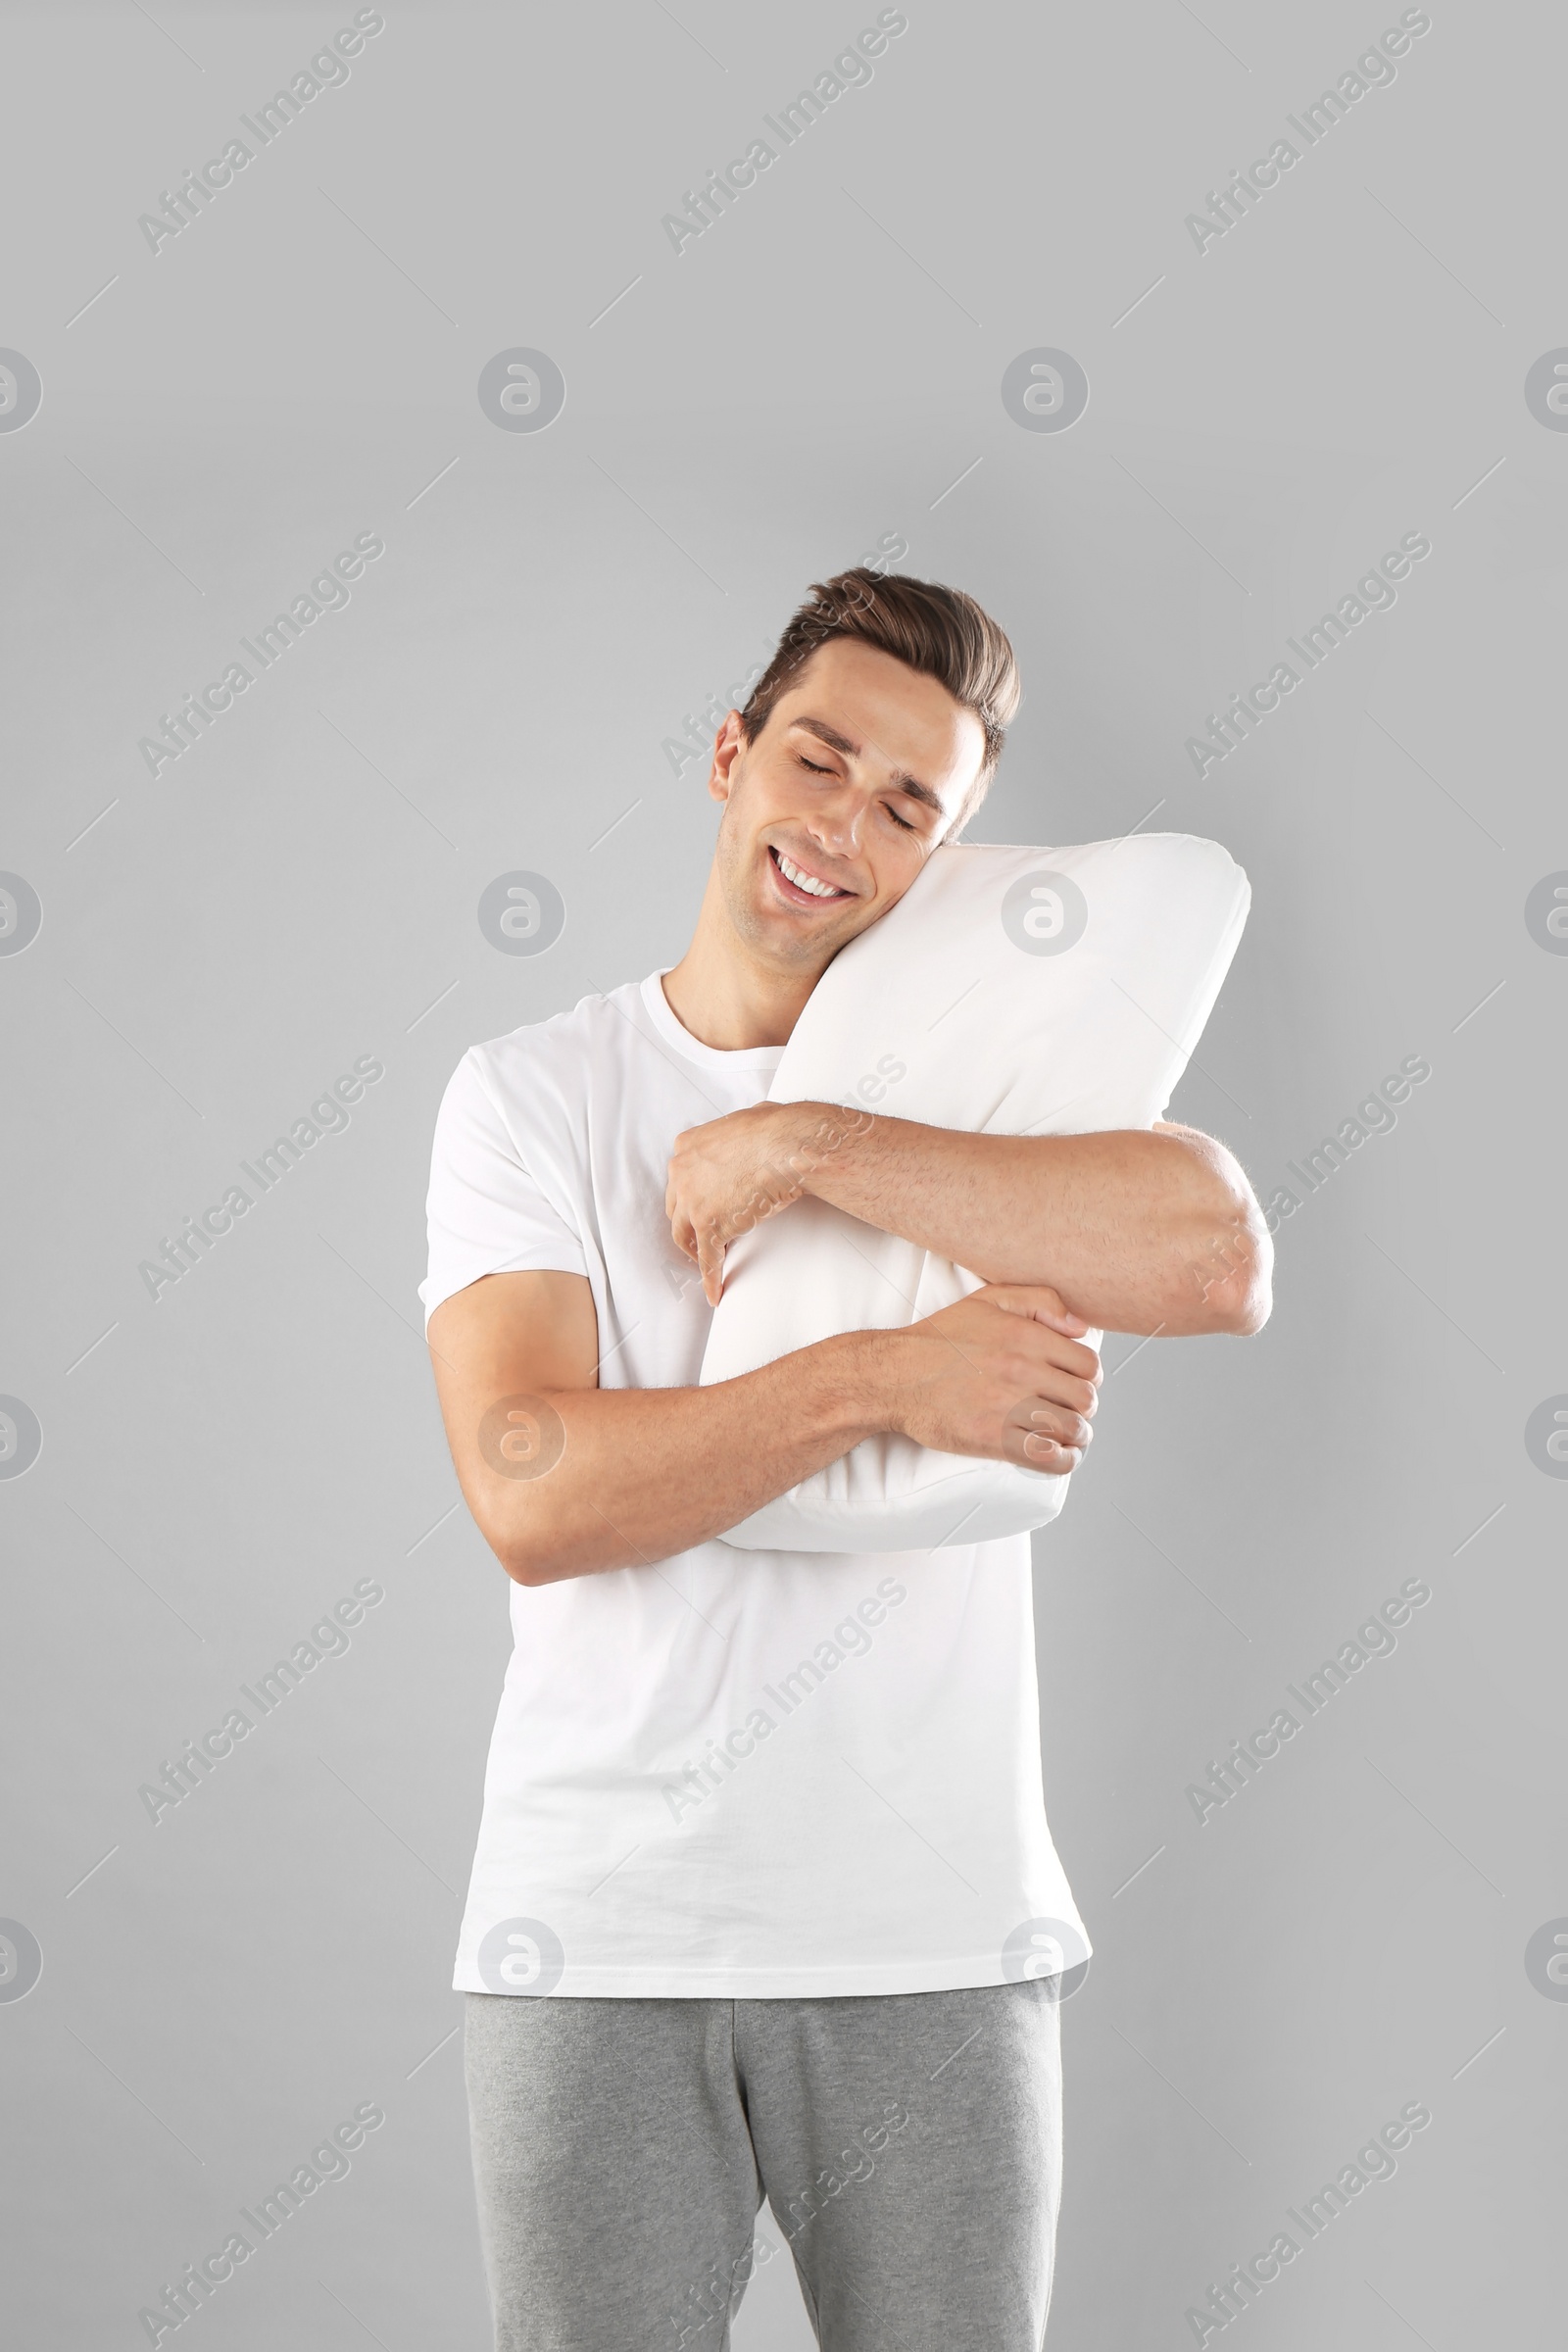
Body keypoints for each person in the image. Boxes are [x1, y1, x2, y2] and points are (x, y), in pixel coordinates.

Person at [420, 568, 1272, 2351]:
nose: (843, 829)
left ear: (952, 850)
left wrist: (805, 1141)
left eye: (910, 806)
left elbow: (1214, 1261)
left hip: (935, 1942)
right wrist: (890, 1374)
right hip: (604, 1937)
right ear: (730, 757)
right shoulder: (534, 1096)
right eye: (818, 760)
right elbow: (537, 1494)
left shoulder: (987, 1082)